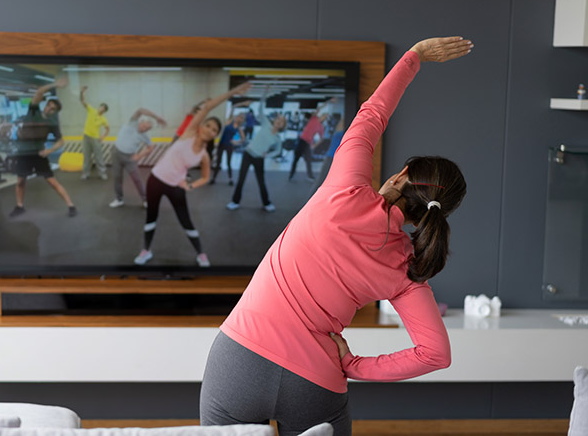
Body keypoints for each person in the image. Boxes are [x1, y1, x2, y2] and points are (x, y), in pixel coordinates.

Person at [200, 36, 473, 436]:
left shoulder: (344, 188)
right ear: (428, 217)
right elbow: (436, 354)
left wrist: (414, 56)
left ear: (400, 176)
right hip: (315, 381)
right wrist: (355, 365)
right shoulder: (407, 266)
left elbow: (373, 114)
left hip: (241, 358)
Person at [134, 81, 252, 268]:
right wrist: (233, 92)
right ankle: (146, 251)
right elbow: (207, 107)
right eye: (208, 126)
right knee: (151, 217)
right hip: (155, 180)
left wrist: (190, 186)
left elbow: (205, 177)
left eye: (214, 130)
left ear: (215, 135)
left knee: (185, 220)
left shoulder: (204, 155)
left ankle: (201, 254)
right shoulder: (189, 133)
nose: (210, 130)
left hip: (176, 186)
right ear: (200, 126)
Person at [8, 77, 76, 218]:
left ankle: (71, 205)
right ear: (45, 105)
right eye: (49, 105)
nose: (50, 108)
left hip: (39, 155)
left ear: (55, 112)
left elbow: (61, 141)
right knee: (20, 181)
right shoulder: (34, 112)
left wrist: (49, 151)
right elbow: (39, 92)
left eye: (53, 108)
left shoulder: (52, 123)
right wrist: (56, 84)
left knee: (52, 182)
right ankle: (20, 206)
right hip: (23, 153)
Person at [226, 87, 286, 212]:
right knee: (241, 179)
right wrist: (265, 94)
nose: (278, 122)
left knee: (261, 181)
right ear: (275, 120)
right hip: (248, 154)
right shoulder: (266, 123)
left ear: (282, 126)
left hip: (259, 158)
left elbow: (278, 151)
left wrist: (267, 156)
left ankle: (266, 203)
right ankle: (234, 201)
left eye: (281, 122)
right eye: (278, 120)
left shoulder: (277, 139)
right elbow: (260, 109)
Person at [109, 108, 167, 208]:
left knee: (137, 179)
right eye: (144, 126)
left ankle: (146, 200)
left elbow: (151, 147)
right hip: (116, 153)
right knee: (117, 177)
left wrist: (139, 156)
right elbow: (140, 110)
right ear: (141, 122)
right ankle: (119, 199)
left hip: (129, 158)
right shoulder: (132, 123)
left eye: (147, 128)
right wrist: (156, 117)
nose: (144, 129)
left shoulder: (145, 135)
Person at [210, 100, 251, 185]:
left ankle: (230, 179)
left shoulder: (239, 127)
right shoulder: (230, 121)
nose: (239, 118)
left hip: (229, 145)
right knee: (218, 163)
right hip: (221, 144)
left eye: (241, 118)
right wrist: (243, 103)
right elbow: (233, 106)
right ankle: (213, 178)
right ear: (237, 117)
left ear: (242, 120)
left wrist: (236, 142)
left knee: (229, 163)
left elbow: (244, 139)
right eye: (239, 116)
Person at [288, 104, 327, 182]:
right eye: (323, 115)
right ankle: (291, 176)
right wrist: (328, 101)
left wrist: (314, 145)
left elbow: (321, 139)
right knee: (296, 159)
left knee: (308, 161)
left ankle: (310, 176)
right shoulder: (314, 118)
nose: (323, 117)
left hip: (308, 144)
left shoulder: (321, 128)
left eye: (325, 117)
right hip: (301, 141)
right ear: (321, 115)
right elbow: (318, 108)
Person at [79, 86, 110, 180]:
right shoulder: (91, 110)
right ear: (99, 107)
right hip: (86, 137)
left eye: (104, 109)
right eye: (101, 107)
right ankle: (86, 173)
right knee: (86, 157)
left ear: (104, 111)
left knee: (98, 157)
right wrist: (82, 92)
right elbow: (83, 101)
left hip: (96, 139)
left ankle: (102, 173)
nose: (102, 109)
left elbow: (108, 129)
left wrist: (103, 136)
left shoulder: (103, 119)